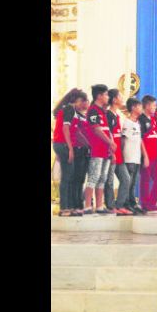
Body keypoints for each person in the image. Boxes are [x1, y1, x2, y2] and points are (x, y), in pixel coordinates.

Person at [52, 88, 88, 217]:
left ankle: (70, 206)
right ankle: (64, 207)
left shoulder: (68, 109)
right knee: (67, 177)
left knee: (70, 176)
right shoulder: (69, 109)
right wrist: (70, 148)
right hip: (63, 144)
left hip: (62, 144)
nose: (82, 104)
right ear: (76, 100)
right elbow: (65, 129)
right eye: (81, 101)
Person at [85, 84, 116, 214]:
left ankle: (99, 206)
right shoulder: (92, 110)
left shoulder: (103, 112)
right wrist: (109, 141)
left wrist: (111, 146)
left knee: (103, 177)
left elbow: (107, 130)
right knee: (94, 176)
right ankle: (87, 205)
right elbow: (96, 129)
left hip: (106, 151)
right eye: (106, 94)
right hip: (96, 150)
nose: (108, 97)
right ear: (99, 96)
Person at [104, 89, 133, 215]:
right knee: (109, 181)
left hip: (119, 154)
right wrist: (113, 153)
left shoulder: (117, 115)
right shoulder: (108, 115)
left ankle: (119, 204)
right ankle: (110, 206)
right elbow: (108, 135)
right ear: (114, 99)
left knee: (126, 179)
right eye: (120, 96)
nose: (122, 98)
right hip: (111, 154)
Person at [116, 97, 145, 215]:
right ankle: (125, 203)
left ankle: (132, 203)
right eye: (139, 106)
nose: (141, 108)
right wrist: (122, 156)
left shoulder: (137, 123)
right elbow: (123, 140)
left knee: (133, 183)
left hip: (136, 157)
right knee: (128, 181)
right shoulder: (127, 123)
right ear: (133, 108)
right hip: (128, 157)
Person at [138, 95, 157, 213]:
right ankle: (145, 204)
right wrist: (145, 157)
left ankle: (152, 203)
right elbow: (141, 139)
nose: (155, 108)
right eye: (154, 105)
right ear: (147, 105)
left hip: (156, 156)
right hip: (146, 156)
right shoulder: (141, 119)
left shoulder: (154, 120)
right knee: (145, 179)